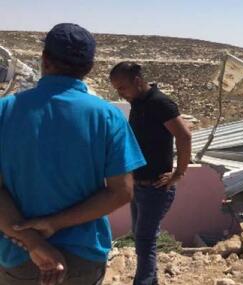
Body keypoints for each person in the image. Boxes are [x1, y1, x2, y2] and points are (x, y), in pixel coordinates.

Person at [0, 23, 146, 285]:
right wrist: (54, 223)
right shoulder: (107, 116)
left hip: (19, 256)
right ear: (88, 68)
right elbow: (121, 191)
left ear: (44, 60)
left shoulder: (4, 111)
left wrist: (33, 241)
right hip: (83, 258)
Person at [109, 62, 192, 285]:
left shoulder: (160, 103)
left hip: (156, 187)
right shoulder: (138, 103)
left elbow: (184, 136)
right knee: (140, 235)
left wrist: (179, 173)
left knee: (145, 240)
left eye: (122, 88)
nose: (120, 94)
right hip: (138, 185)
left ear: (137, 81)